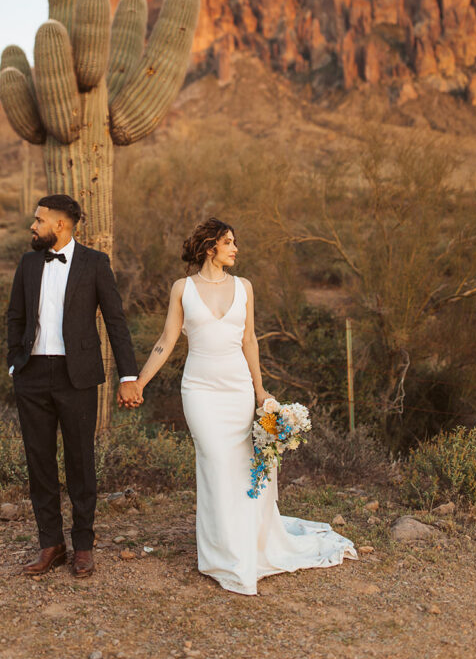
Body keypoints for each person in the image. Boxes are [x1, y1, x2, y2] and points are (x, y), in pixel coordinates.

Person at [122, 216, 356, 595]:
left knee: (244, 469)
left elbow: (250, 341)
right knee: (215, 463)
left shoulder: (244, 287)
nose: (235, 248)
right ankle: (222, 556)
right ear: (210, 246)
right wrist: (139, 382)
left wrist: (261, 392)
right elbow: (166, 341)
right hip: (199, 391)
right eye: (229, 242)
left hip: (238, 391)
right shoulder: (182, 289)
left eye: (235, 242)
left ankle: (248, 543)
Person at [7, 194, 141, 578]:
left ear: (60, 224)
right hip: (31, 374)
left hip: (77, 376)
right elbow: (15, 316)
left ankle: (83, 545)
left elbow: (115, 320)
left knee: (80, 462)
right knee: (40, 462)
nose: (33, 226)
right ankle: (51, 544)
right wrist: (14, 363)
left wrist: (128, 376)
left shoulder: (95, 264)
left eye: (39, 220)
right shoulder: (28, 263)